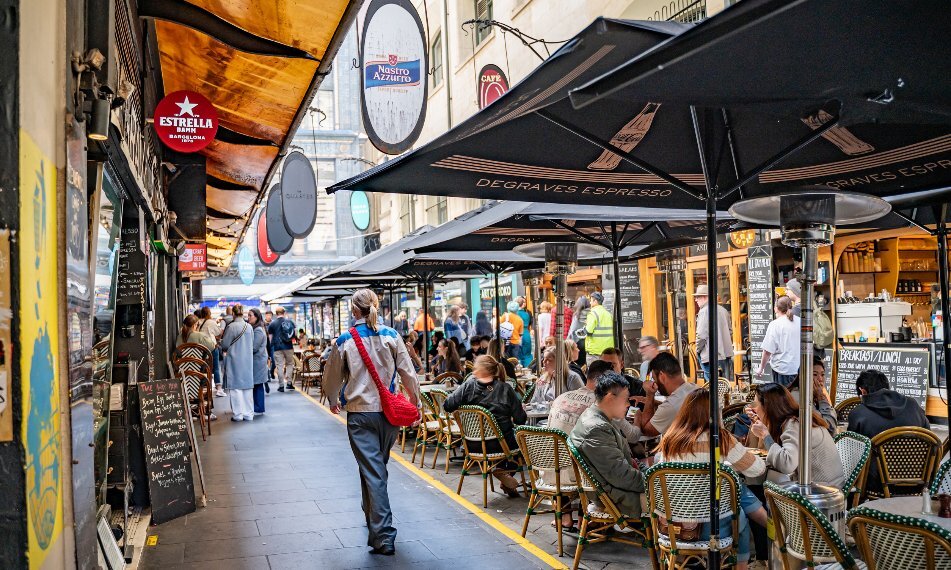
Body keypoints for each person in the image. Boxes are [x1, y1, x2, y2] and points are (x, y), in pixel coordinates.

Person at [323, 289, 421, 556]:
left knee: (373, 472)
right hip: (390, 415)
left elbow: (331, 377)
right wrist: (417, 403)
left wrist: (332, 399)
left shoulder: (345, 340)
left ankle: (384, 535)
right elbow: (408, 373)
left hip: (360, 414)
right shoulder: (392, 335)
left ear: (354, 311)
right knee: (376, 470)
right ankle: (375, 524)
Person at [658, 388, 765, 570]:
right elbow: (757, 469)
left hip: (674, 525)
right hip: (714, 530)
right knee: (737, 497)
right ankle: (744, 563)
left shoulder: (670, 439)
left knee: (733, 486)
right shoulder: (720, 439)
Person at [444, 355, 526, 497]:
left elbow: (448, 405)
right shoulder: (505, 388)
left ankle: (500, 472)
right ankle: (503, 471)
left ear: (479, 368)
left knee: (509, 442)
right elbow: (521, 419)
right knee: (519, 447)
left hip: (472, 445)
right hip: (502, 446)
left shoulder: (468, 386)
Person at [569, 372, 645, 518]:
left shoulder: (598, 418)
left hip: (618, 490)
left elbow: (626, 465)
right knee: (679, 497)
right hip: (619, 498)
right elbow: (621, 476)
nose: (628, 404)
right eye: (625, 399)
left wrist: (653, 476)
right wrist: (656, 482)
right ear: (610, 397)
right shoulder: (597, 428)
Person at [848, 369, 929, 495]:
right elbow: (930, 442)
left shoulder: (858, 413)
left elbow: (851, 457)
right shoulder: (914, 406)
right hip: (919, 484)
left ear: (862, 391)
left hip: (877, 486)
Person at [749, 383, 844, 488]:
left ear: (767, 407)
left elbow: (786, 465)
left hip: (823, 493)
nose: (754, 409)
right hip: (825, 486)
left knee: (762, 484)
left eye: (755, 404)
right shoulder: (796, 418)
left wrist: (765, 435)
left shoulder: (794, 424)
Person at [637, 352, 699, 438]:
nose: (655, 383)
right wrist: (655, 402)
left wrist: (649, 395)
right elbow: (677, 408)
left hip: (686, 450)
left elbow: (646, 430)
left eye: (654, 379)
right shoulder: (695, 388)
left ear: (662, 376)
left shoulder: (671, 405)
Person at [756, 296, 801, 386]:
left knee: (783, 398)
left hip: (782, 369)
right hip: (799, 368)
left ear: (776, 308)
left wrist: (761, 368)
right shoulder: (800, 321)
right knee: (796, 398)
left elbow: (767, 351)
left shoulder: (775, 324)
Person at [220, 305, 255, 422]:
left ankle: (238, 414)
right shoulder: (249, 327)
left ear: (233, 314)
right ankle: (249, 413)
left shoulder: (231, 327)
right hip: (247, 360)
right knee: (247, 388)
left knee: (235, 388)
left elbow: (225, 345)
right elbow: (252, 343)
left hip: (234, 360)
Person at [694, 284, 734, 382]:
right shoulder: (723, 310)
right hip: (725, 353)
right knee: (724, 384)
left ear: (705, 297)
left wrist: (698, 350)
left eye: (698, 297)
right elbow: (730, 331)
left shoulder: (704, 311)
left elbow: (701, 335)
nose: (696, 300)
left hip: (710, 355)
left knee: (712, 385)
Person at [788, 357, 836, 435]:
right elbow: (829, 427)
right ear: (803, 376)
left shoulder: (815, 393)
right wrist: (821, 398)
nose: (820, 379)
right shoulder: (799, 396)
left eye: (823, 374)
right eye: (815, 374)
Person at [267, 305, 297, 392]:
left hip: (277, 347)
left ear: (276, 314)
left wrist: (271, 347)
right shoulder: (290, 321)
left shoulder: (272, 324)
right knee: (289, 364)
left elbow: (270, 338)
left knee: (279, 365)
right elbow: (294, 333)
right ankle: (289, 383)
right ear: (284, 313)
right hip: (288, 346)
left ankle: (281, 386)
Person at [198, 307, 225, 397]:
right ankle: (219, 389)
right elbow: (218, 333)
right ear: (209, 313)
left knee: (202, 367)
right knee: (216, 367)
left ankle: (203, 387)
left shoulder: (198, 322)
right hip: (212, 347)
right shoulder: (211, 322)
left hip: (200, 348)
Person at [584, 292, 614, 365]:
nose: (590, 303)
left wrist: (585, 326)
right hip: (607, 350)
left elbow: (588, 331)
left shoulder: (593, 313)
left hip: (595, 351)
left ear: (595, 301)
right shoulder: (608, 314)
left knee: (594, 374)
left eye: (591, 300)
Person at [247, 308, 268, 416]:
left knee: (258, 384)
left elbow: (254, 348)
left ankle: (259, 408)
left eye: (250, 315)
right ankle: (258, 407)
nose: (248, 317)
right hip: (258, 360)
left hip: (258, 361)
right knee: (257, 384)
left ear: (256, 316)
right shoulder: (257, 328)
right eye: (248, 315)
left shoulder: (258, 330)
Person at [516, 296, 534, 367]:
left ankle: (520, 368)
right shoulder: (527, 314)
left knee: (519, 353)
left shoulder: (516, 314)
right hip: (526, 333)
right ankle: (528, 367)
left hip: (518, 334)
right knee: (527, 353)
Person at [264, 311, 276, 380]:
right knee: (265, 360)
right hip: (265, 344)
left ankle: (271, 371)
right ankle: (267, 375)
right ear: (265, 316)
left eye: (270, 315)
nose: (269, 316)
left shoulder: (274, 323)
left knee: (274, 361)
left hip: (272, 344)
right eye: (267, 315)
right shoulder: (262, 323)